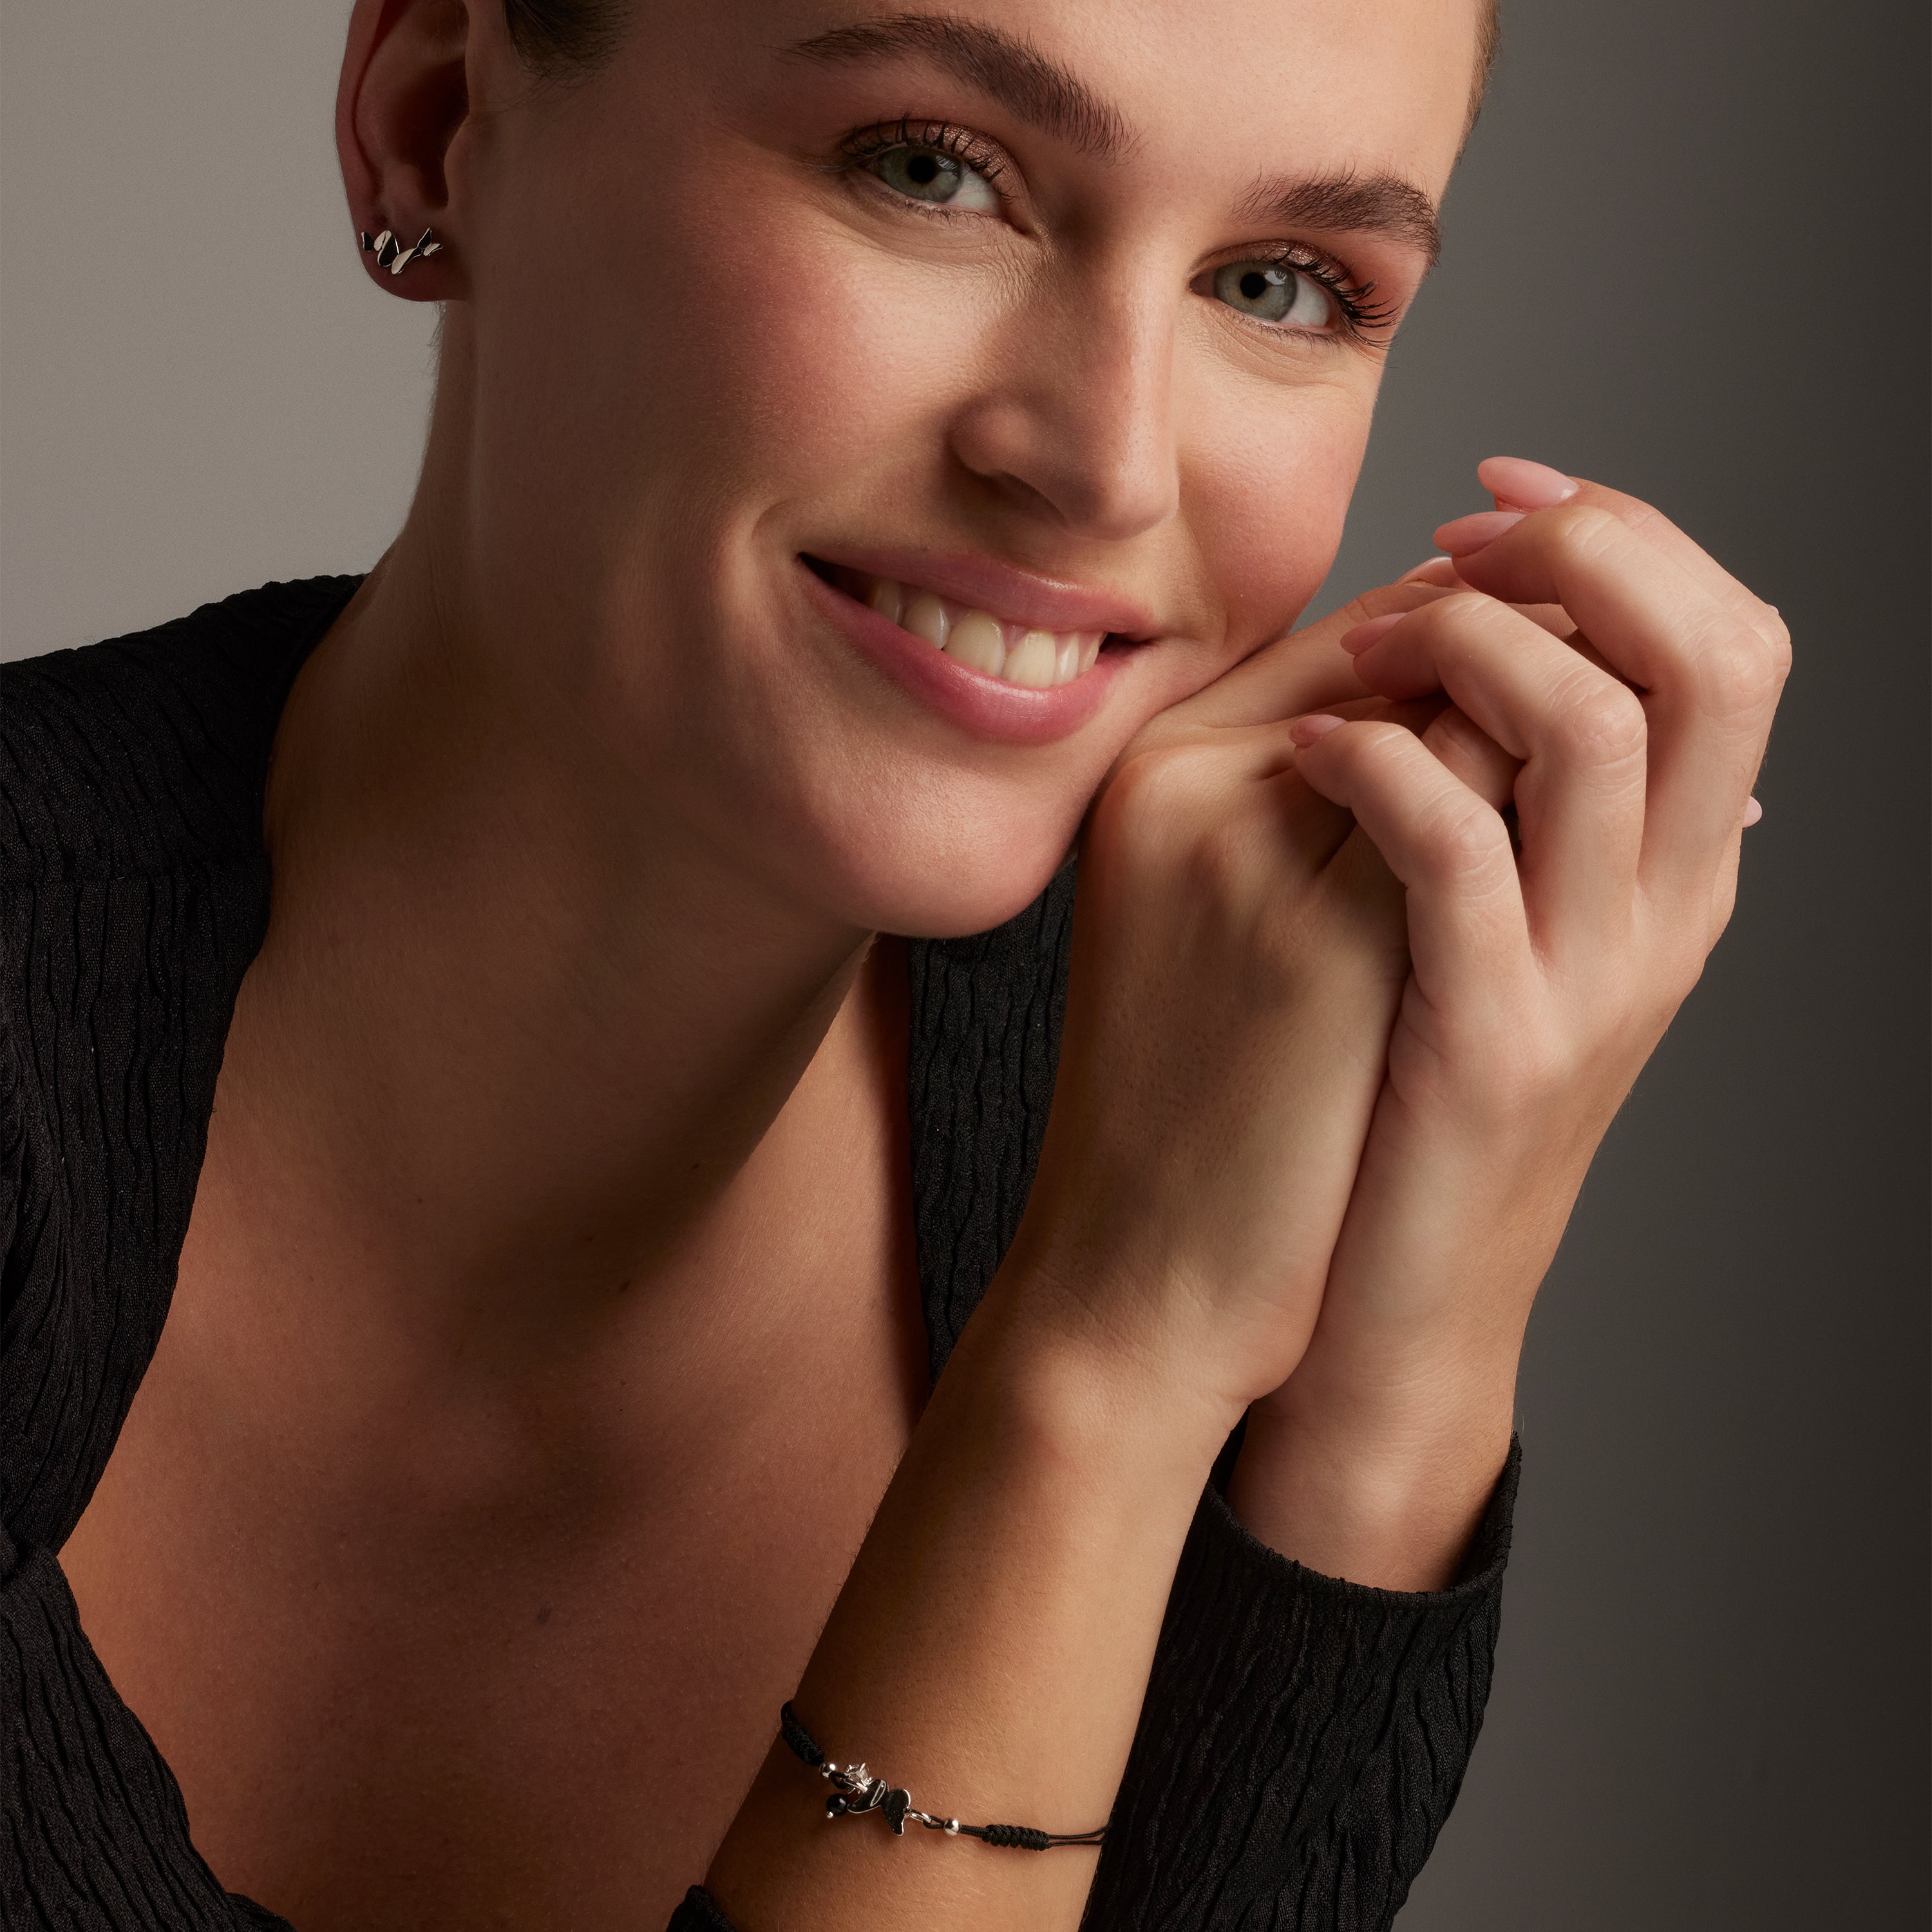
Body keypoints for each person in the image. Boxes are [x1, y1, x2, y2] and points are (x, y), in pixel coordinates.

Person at [0, 1, 1789, 1927]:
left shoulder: (1225, 1110)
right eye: (933, 171)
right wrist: (1106, 1363)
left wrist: (1417, 1335)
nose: (1106, 466)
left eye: (1280, 284)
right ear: (435, 114)